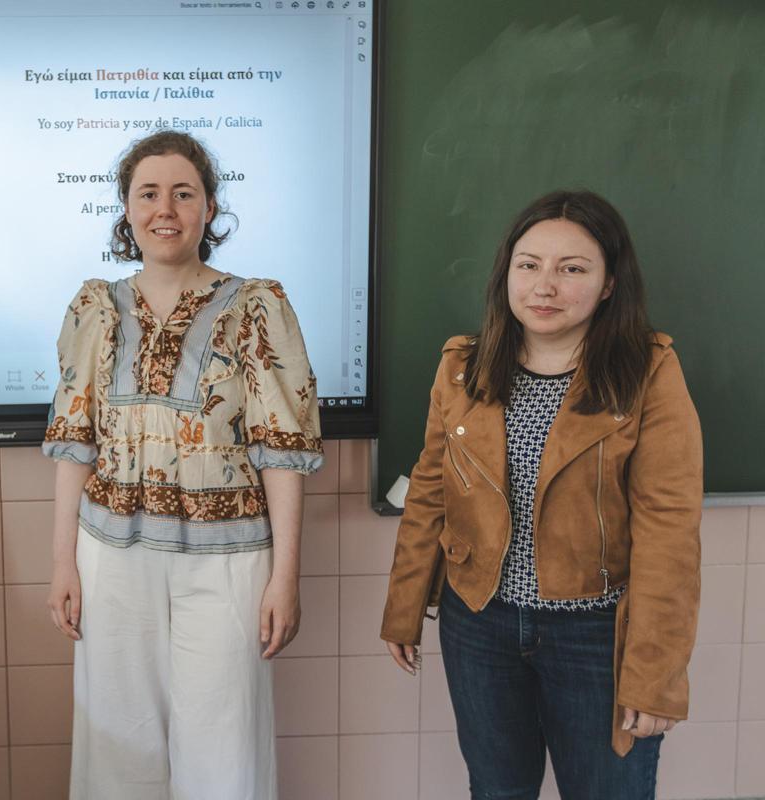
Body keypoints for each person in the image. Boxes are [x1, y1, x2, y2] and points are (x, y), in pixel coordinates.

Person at [380, 190, 702, 799]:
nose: (544, 286)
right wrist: (403, 606)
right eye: (528, 265)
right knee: (497, 792)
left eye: (572, 268)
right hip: (479, 624)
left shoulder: (649, 371)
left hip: (596, 633)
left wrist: (655, 675)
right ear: (507, 272)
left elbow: (671, 531)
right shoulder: (462, 365)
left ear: (609, 283)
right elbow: (430, 490)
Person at [42, 129, 323, 800]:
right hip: (110, 555)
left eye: (183, 193)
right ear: (126, 209)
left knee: (222, 742)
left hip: (227, 562)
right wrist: (61, 563)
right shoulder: (95, 308)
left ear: (209, 207)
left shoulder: (257, 306)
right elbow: (74, 442)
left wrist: (285, 575)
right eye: (148, 193)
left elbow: (282, 451)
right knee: (117, 739)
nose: (164, 209)